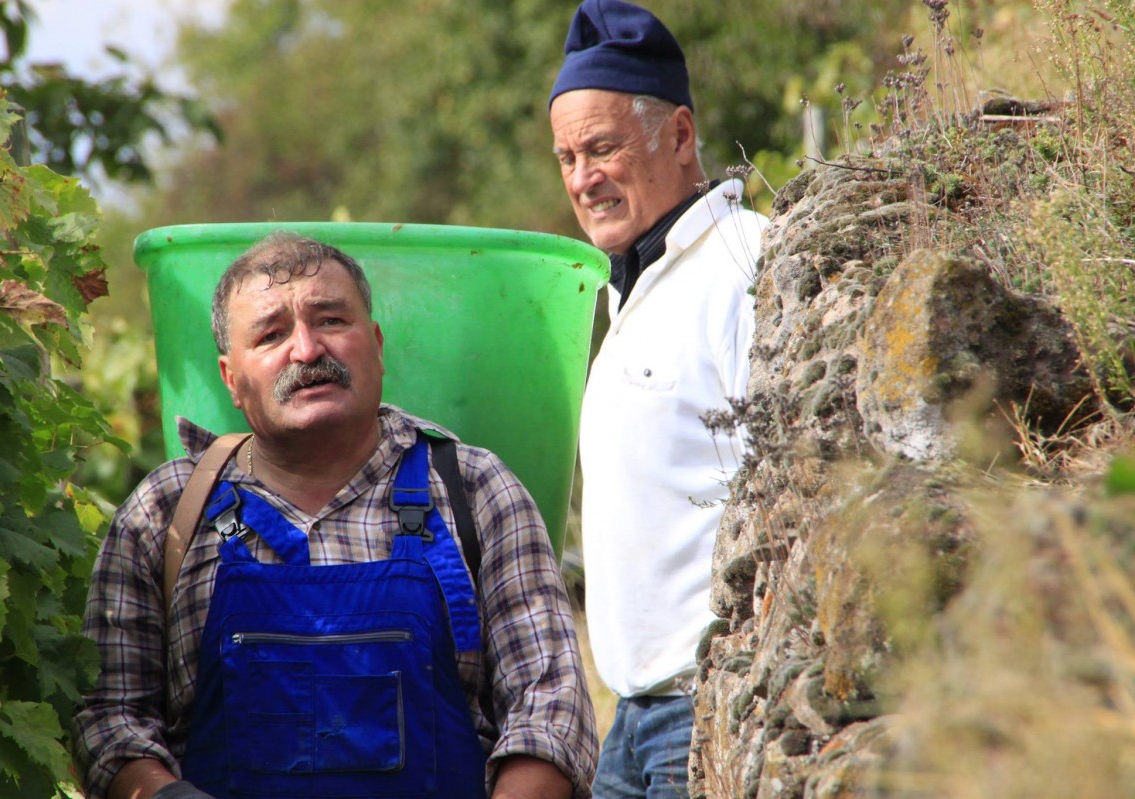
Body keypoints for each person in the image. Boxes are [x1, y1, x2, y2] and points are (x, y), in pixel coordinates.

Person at [72, 231, 598, 799]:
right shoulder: (166, 512)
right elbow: (109, 720)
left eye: (330, 320)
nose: (306, 349)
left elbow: (551, 712)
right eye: (271, 335)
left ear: (376, 345)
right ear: (231, 379)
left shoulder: (475, 489)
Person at [547, 1, 767, 796]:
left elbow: (784, 491)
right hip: (629, 721)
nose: (583, 178)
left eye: (602, 148)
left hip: (703, 708)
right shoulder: (629, 286)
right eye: (567, 157)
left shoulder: (743, 264)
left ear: (679, 136)